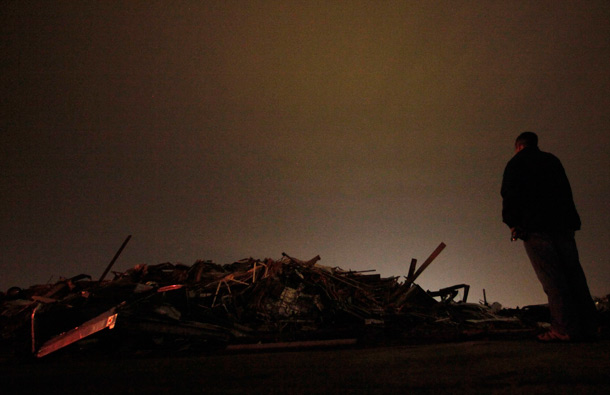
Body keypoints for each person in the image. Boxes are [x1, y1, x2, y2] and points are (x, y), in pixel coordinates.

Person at [501, 131, 598, 342]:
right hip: (563, 226)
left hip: (535, 228)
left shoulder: (515, 164)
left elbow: (509, 195)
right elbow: (566, 191)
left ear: (518, 146)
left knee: (553, 280)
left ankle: (563, 329)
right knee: (575, 276)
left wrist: (513, 224)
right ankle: (590, 326)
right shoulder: (552, 161)